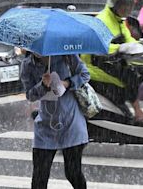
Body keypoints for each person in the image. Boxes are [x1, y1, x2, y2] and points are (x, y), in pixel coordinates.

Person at [81, 0, 143, 123]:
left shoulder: (119, 20)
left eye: (129, 5)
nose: (127, 9)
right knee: (130, 74)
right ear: (114, 4)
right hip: (94, 63)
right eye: (123, 5)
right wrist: (122, 48)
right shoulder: (102, 21)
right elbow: (99, 47)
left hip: (109, 60)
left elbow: (129, 40)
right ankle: (138, 111)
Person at [20, 53, 90, 189]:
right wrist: (43, 86)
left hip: (71, 121)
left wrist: (67, 83)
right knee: (39, 178)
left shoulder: (67, 56)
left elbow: (84, 75)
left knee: (72, 173)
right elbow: (30, 95)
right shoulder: (27, 65)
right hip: (45, 124)